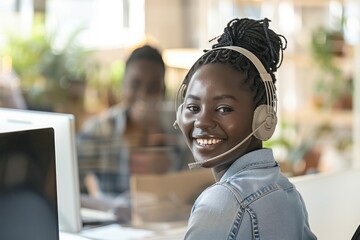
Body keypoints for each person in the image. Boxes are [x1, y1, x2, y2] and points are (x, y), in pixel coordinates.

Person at [174, 18, 317, 239]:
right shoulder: (286, 190)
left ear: (263, 118)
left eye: (223, 109)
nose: (202, 122)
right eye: (193, 107)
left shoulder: (222, 201)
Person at [77, 45, 189, 199]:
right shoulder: (99, 129)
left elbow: (188, 186)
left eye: (153, 87)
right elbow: (71, 173)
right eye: (135, 84)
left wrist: (155, 131)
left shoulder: (180, 131)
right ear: (123, 85)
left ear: (162, 92)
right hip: (113, 219)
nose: (143, 94)